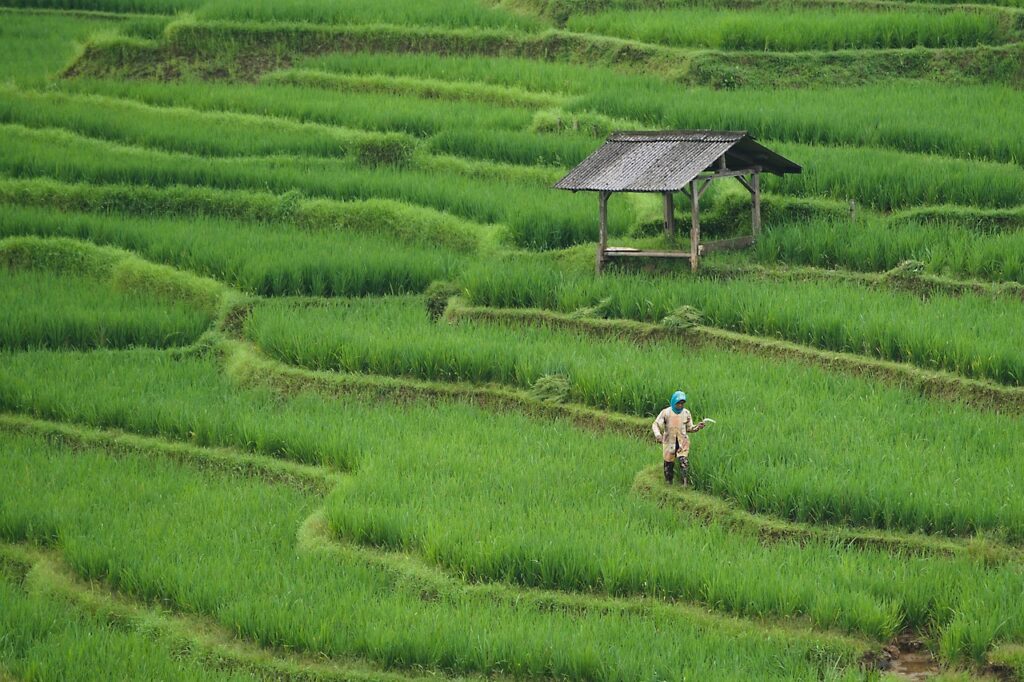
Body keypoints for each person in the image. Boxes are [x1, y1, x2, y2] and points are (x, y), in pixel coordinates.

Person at [652, 390, 705, 485]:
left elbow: (690, 428)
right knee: (668, 464)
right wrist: (658, 435)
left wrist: (698, 427)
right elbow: (655, 424)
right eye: (678, 403)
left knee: (683, 462)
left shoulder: (686, 413)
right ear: (673, 402)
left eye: (682, 403)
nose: (680, 405)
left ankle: (684, 484)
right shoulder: (666, 413)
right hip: (669, 442)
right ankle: (669, 483)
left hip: (682, 442)